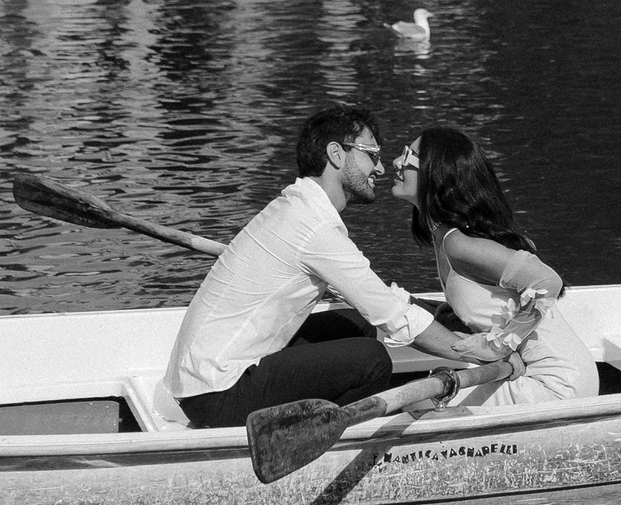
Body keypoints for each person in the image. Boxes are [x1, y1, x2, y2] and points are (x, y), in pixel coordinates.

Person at [165, 104, 514, 429]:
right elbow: (392, 314)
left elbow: (375, 298)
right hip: (217, 393)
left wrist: (435, 313)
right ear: (336, 154)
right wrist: (474, 351)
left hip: (202, 381)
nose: (379, 168)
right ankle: (322, 437)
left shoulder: (299, 208)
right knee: (372, 360)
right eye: (371, 156)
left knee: (357, 323)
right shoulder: (313, 227)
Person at [395, 125, 600, 408]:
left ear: (437, 171)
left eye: (409, 155)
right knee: (415, 396)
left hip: (555, 382)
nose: (397, 162)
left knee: (414, 401)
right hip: (528, 372)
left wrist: (499, 345)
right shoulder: (444, 237)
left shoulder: (458, 243)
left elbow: (547, 282)